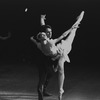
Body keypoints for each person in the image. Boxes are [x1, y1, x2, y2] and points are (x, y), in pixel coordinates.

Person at [30, 11, 84, 100]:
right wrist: (70, 28)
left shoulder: (39, 45)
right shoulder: (49, 42)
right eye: (45, 34)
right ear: (43, 37)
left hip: (62, 48)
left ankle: (80, 18)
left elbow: (41, 31)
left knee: (73, 31)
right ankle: (60, 90)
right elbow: (63, 35)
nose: (49, 34)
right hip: (62, 50)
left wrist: (32, 38)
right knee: (60, 69)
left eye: (48, 33)